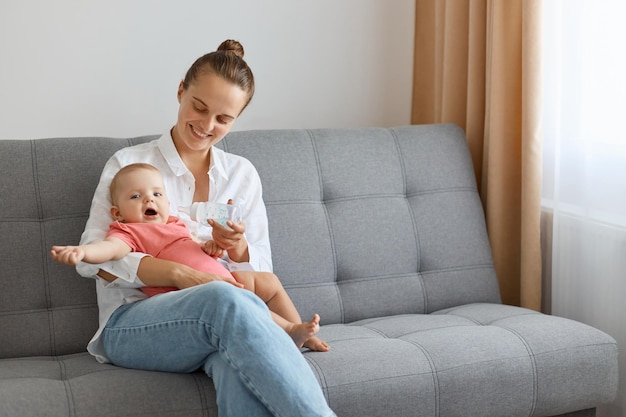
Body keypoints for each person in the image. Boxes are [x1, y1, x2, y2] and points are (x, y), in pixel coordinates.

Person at [72, 39, 336, 416]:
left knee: (236, 360)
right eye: (199, 107)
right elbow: (90, 260)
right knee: (223, 300)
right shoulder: (130, 164)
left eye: (223, 119)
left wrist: (238, 248)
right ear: (181, 91)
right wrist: (179, 274)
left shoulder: (241, 175)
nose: (207, 125)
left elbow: (259, 271)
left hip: (224, 320)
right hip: (131, 323)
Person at [51, 163, 330, 351]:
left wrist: (212, 247)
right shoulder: (129, 231)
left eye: (157, 194)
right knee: (237, 300)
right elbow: (110, 250)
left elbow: (196, 247)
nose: (149, 200)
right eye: (136, 196)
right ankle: (291, 330)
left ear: (168, 202)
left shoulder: (176, 222)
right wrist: (84, 252)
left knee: (267, 282)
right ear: (117, 212)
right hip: (189, 295)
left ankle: (306, 336)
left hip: (222, 276)